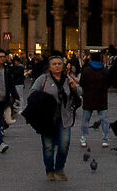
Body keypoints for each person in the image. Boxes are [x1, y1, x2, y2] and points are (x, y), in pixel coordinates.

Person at [24, 54, 80, 183]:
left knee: (64, 144)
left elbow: (79, 92)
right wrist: (45, 100)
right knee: (48, 146)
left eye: (59, 64)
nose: (57, 66)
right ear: (49, 66)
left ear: (63, 66)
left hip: (64, 117)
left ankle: (59, 168)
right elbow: (32, 93)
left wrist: (74, 88)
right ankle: (49, 170)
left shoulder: (68, 79)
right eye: (54, 64)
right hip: (47, 118)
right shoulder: (43, 79)